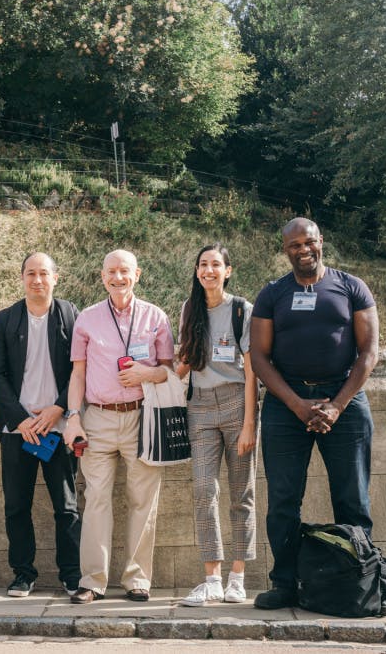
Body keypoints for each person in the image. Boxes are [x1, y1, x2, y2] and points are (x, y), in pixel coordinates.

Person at [250, 218, 379, 609]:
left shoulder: (351, 287)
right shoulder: (273, 294)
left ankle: (359, 581)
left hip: (345, 400)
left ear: (321, 242)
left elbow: (368, 352)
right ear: (285, 249)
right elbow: (259, 357)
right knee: (284, 500)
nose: (303, 249)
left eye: (309, 242)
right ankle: (286, 583)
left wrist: (336, 405)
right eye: (294, 245)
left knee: (352, 497)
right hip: (286, 404)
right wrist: (297, 405)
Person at [62, 250, 175, 603]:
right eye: (111, 271)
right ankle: (92, 581)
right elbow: (77, 373)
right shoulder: (88, 319)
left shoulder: (156, 317)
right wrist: (73, 416)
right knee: (95, 499)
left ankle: (137, 579)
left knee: (143, 500)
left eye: (124, 271)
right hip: (97, 417)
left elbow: (171, 371)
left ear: (137, 274)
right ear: (102, 276)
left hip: (143, 417)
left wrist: (148, 373)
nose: (118, 277)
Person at [0, 252, 81, 598]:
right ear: (22, 277)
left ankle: (71, 575)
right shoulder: (4, 321)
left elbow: (79, 370)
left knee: (67, 506)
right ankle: (22, 574)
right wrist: (21, 418)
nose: (37, 280)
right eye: (30, 273)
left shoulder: (72, 317)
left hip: (57, 428)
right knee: (16, 505)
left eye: (44, 273)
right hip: (18, 431)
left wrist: (58, 409)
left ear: (55, 278)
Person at [175, 243, 259, 607]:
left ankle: (237, 579)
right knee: (203, 490)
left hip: (237, 400)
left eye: (215, 265)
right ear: (196, 271)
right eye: (202, 265)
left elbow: (253, 371)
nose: (208, 270)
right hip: (201, 407)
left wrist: (248, 423)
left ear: (228, 270)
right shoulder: (189, 309)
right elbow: (181, 364)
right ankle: (211, 578)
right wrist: (150, 373)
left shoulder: (242, 310)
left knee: (242, 494)